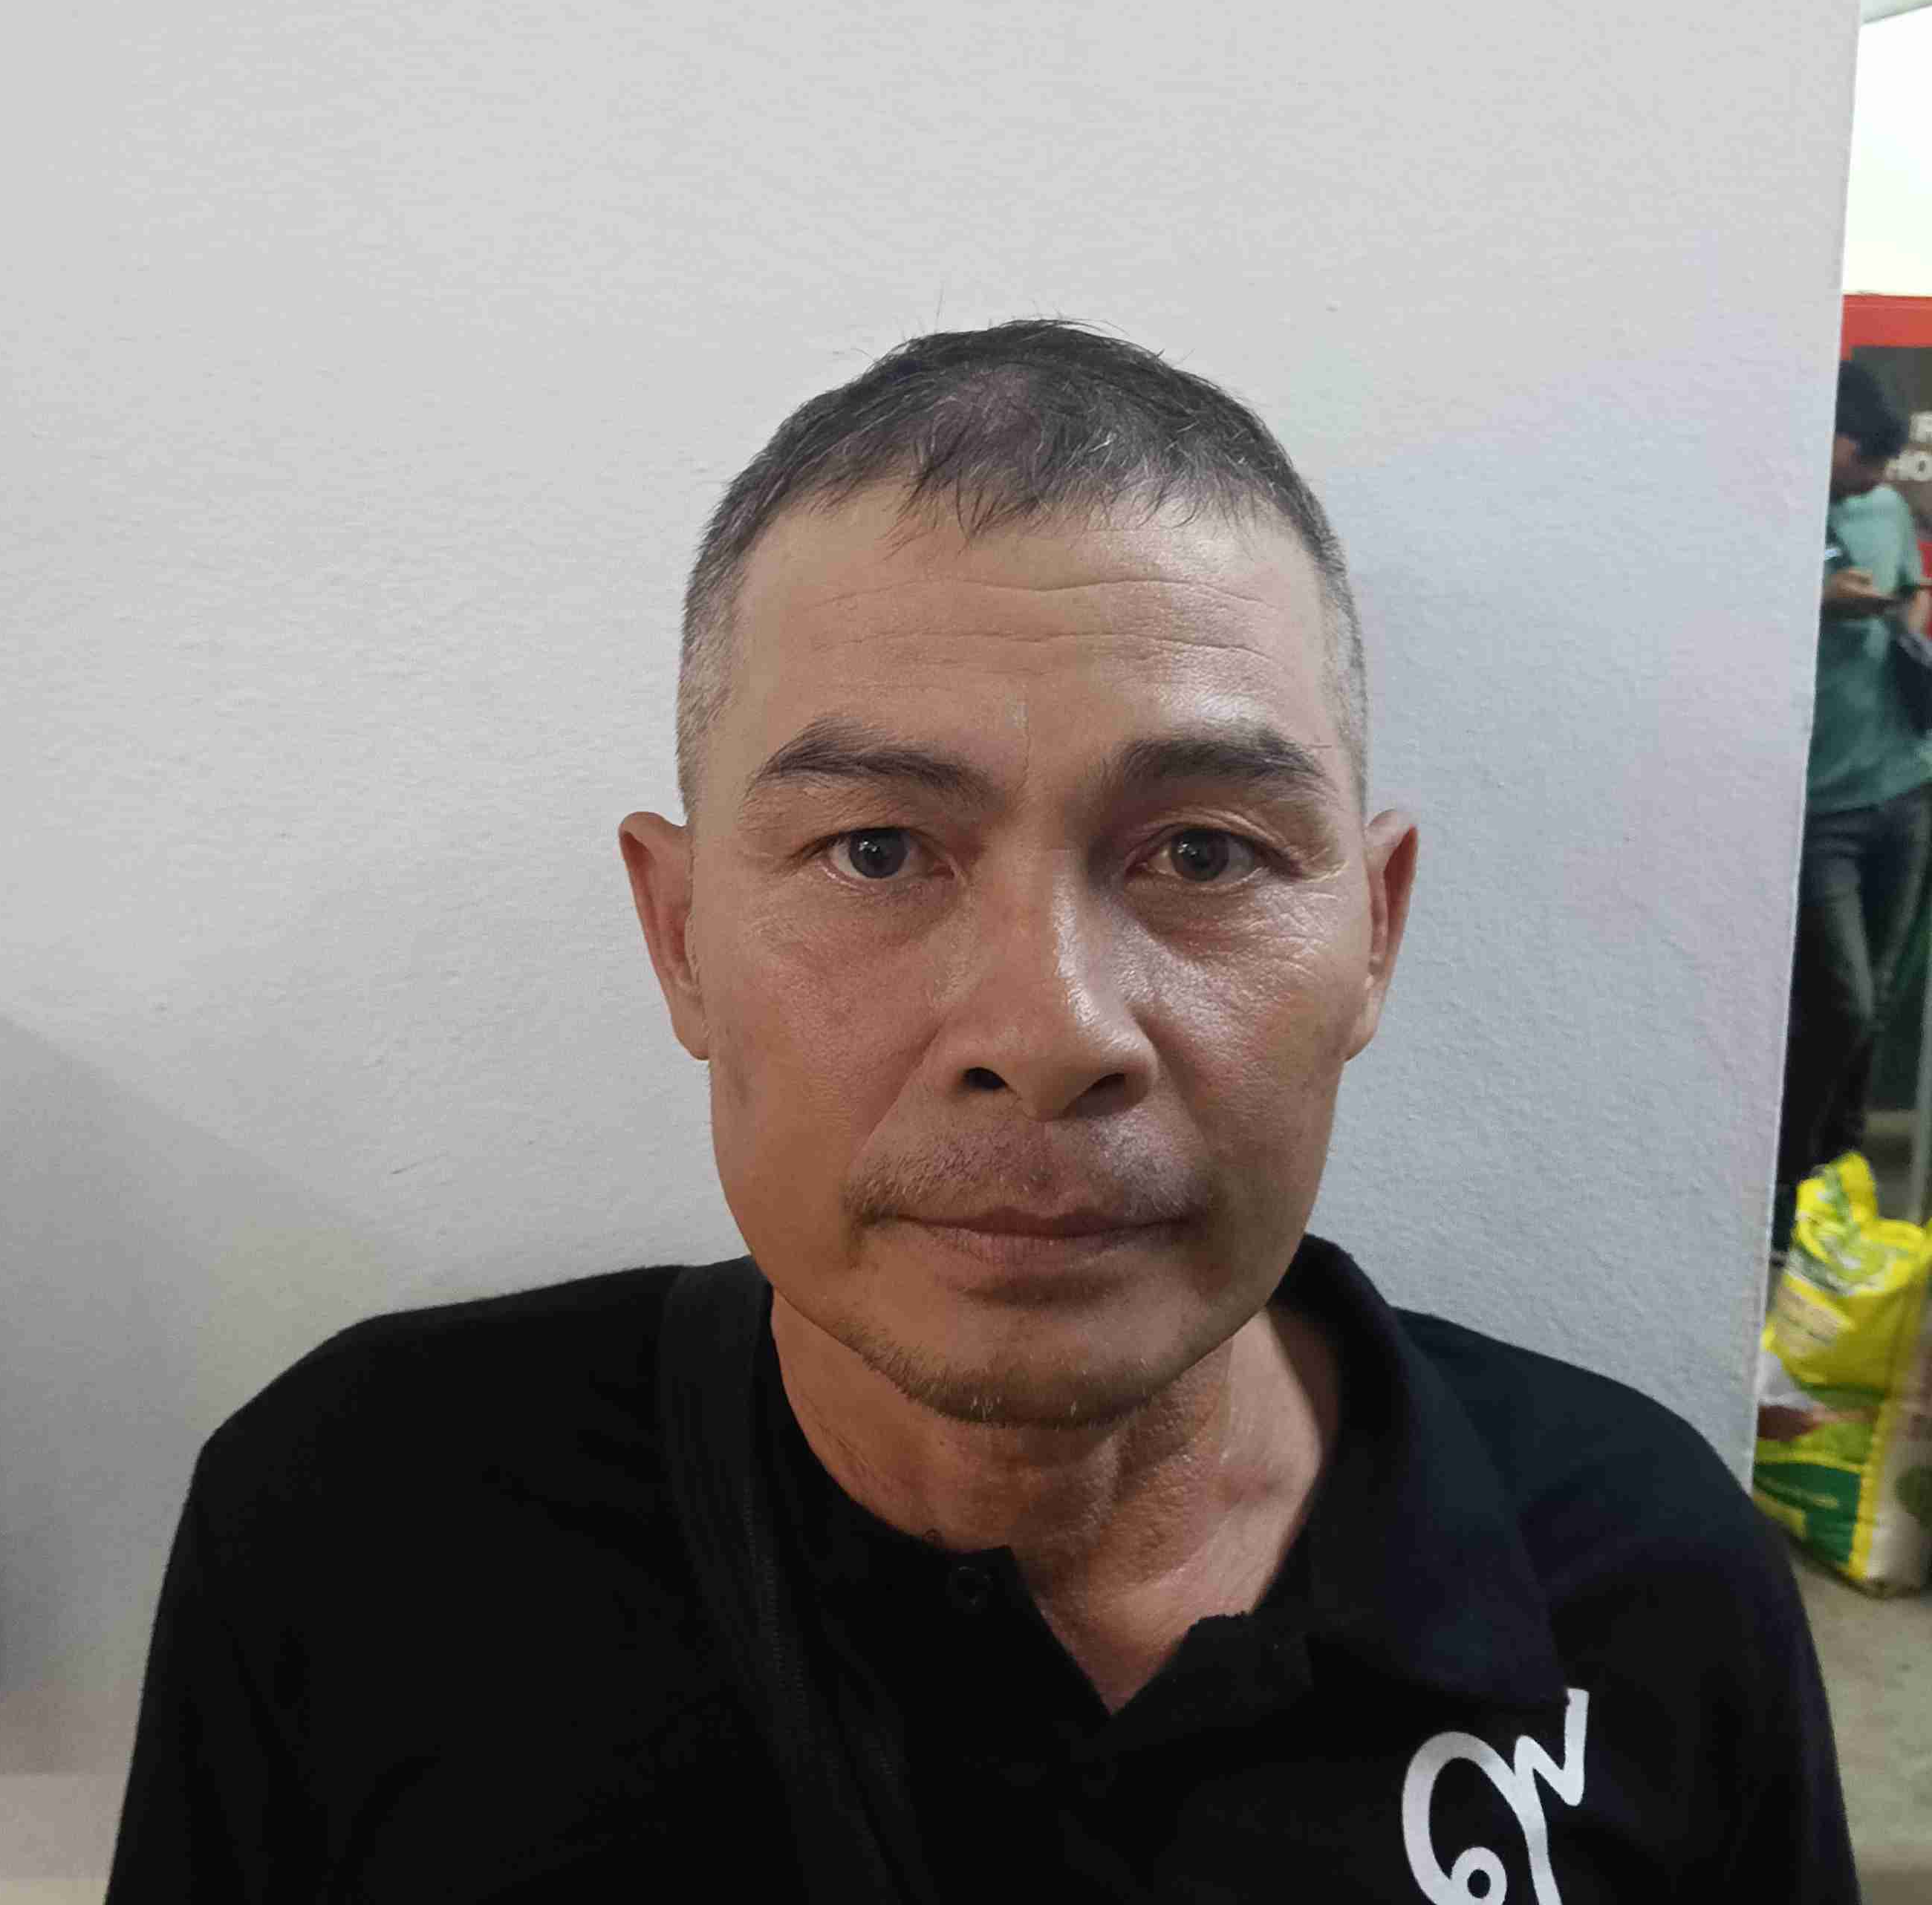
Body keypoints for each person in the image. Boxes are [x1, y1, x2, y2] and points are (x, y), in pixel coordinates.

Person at [105, 319, 1858, 1902]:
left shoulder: (1640, 1577)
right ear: (680, 934)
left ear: (1372, 935)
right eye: (876, 849)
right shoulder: (363, 1533)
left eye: (1201, 853)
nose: (1051, 1031)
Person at [1775, 359, 1932, 1256]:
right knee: (1843, 1004)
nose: (1872, 476)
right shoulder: (1775, 517)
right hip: (1819, 806)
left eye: (1881, 462)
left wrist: (1906, 642)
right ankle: (1786, 1180)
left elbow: (1913, 590)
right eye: (1860, 457)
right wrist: (1817, 604)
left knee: (1875, 1004)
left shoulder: (1884, 511)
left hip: (1902, 788)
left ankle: (1835, 1176)